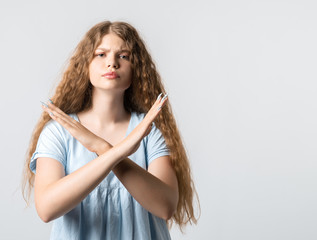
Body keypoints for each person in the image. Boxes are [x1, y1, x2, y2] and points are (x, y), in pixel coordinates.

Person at [22, 21, 198, 239]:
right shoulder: (57, 132)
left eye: (123, 56)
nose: (112, 63)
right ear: (85, 64)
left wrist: (100, 147)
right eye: (101, 54)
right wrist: (117, 151)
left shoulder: (149, 130)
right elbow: (47, 208)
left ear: (136, 69)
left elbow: (165, 206)